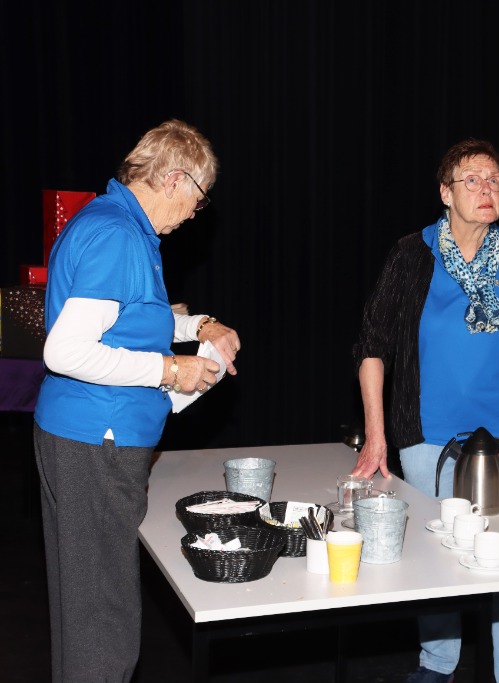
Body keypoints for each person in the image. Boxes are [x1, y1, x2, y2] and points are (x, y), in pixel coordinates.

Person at [352, 138, 499, 683]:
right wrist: (376, 436)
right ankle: (438, 664)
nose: (486, 188)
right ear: (445, 193)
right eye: (471, 179)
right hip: (428, 436)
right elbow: (372, 347)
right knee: (439, 558)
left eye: (494, 179)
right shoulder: (412, 254)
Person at [33, 119, 242, 683]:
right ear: (175, 179)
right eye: (199, 198)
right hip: (97, 441)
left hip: (81, 435)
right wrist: (171, 370)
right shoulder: (119, 236)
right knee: (104, 624)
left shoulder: (116, 222)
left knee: (84, 613)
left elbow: (132, 319)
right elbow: (66, 351)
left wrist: (201, 326)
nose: (196, 213)